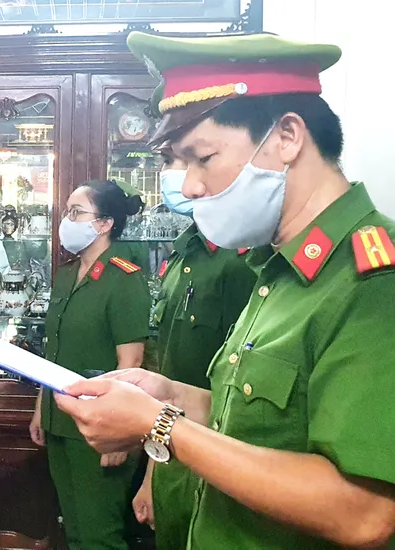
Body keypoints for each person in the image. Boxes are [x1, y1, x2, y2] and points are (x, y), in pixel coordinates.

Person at [54, 32, 395, 549]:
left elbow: (361, 512)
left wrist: (162, 426)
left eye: (203, 158)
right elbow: (268, 427)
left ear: (287, 137)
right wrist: (174, 397)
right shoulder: (281, 271)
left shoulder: (389, 286)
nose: (190, 186)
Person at [131, 147, 258, 549]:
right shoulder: (186, 250)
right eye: (171, 162)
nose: (180, 180)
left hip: (215, 459)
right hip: (170, 446)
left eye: (191, 158)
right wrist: (152, 472)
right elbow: (170, 369)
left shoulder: (241, 263)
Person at [28, 179, 151, 549]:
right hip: (59, 419)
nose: (67, 220)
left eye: (77, 212)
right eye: (67, 212)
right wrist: (41, 409)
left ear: (104, 224)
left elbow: (131, 362)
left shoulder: (123, 278)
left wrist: (120, 433)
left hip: (99, 425)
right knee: (75, 532)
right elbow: (54, 351)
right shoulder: (66, 274)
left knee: (100, 536)